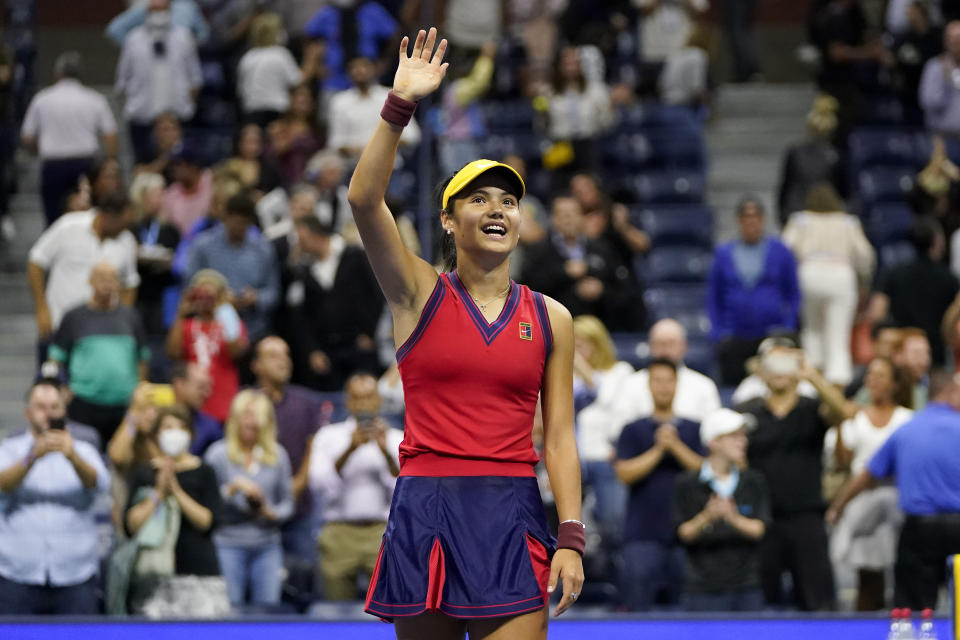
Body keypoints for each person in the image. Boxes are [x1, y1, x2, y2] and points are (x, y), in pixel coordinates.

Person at [346, 28, 584, 636]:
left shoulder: (552, 316)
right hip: (428, 506)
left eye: (508, 200)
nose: (498, 209)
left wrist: (572, 537)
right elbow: (364, 200)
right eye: (479, 200)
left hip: (512, 512)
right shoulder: (417, 291)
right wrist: (399, 106)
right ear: (449, 221)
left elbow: (557, 437)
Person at [828, 370, 960, 610]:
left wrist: (838, 507)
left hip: (920, 530)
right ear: (950, 392)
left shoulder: (906, 431)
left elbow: (867, 475)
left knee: (916, 610)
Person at [736, 345, 838, 610]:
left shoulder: (813, 409)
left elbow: (843, 413)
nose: (779, 371)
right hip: (762, 519)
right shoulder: (747, 411)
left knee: (819, 600)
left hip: (806, 516)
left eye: (785, 364)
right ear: (761, 373)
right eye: (772, 365)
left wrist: (812, 376)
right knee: (759, 602)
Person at [0, 381, 110, 614]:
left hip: (75, 574)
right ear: (27, 413)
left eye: (54, 407)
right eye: (41, 407)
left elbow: (98, 484)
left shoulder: (84, 450)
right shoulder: (9, 449)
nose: (48, 413)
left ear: (64, 412)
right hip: (18, 573)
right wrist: (32, 457)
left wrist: (72, 456)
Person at [615, 357, 704, 610]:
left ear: (677, 385)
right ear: (649, 385)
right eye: (658, 381)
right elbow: (624, 474)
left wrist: (675, 446)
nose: (664, 387)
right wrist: (658, 450)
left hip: (688, 533)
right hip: (642, 534)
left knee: (689, 614)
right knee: (637, 610)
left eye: (669, 381)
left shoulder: (693, 429)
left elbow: (705, 472)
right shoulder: (633, 430)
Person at [827, 357, 913, 610]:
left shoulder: (907, 419)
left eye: (881, 376)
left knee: (903, 573)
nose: (873, 381)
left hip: (898, 502)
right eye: (870, 375)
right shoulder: (856, 418)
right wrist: (842, 423)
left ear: (895, 383)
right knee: (868, 578)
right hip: (862, 504)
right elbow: (842, 462)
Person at [125, 406, 228, 617]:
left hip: (200, 574)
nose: (175, 433)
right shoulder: (145, 473)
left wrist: (176, 490)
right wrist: (159, 493)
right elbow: (131, 524)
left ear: (190, 434)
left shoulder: (205, 472)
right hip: (153, 577)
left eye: (181, 427)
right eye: (168, 427)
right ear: (156, 434)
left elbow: (207, 522)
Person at [308, 372, 403, 600]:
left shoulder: (397, 438)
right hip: (339, 531)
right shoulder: (328, 436)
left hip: (382, 531)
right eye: (356, 398)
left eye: (368, 397)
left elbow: (404, 489)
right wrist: (350, 449)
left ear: (378, 400)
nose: (363, 404)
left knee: (387, 610)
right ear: (348, 401)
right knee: (335, 612)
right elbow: (318, 482)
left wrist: (385, 453)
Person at [673, 409, 770, 611]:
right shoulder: (687, 483)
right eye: (734, 436)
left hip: (747, 587)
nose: (742, 441)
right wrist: (707, 516)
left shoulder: (754, 481)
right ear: (713, 442)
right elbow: (683, 533)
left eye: (743, 436)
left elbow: (759, 529)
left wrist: (732, 517)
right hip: (701, 589)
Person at [205, 391, 293, 609]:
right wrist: (233, 488)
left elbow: (288, 504)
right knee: (229, 609)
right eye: (246, 414)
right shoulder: (217, 454)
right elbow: (207, 502)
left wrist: (269, 512)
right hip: (227, 544)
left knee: (268, 609)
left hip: (267, 545)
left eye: (256, 415)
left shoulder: (277, 455)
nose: (250, 420)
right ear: (234, 417)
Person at [782, 182, 875, 386]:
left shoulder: (800, 220)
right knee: (838, 334)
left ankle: (811, 381)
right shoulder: (848, 222)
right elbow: (865, 255)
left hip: (808, 273)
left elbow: (785, 250)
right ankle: (838, 383)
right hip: (840, 274)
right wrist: (863, 278)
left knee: (812, 330)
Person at [48, 261, 150, 446]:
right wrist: (60, 387)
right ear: (90, 281)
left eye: (112, 279)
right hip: (83, 403)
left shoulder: (131, 316)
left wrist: (140, 389)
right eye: (102, 279)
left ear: (119, 284)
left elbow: (142, 358)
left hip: (123, 405)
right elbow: (55, 358)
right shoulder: (74, 316)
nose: (107, 284)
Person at [27, 192, 140, 358]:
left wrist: (121, 319)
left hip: (100, 336)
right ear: (107, 216)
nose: (126, 229)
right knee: (50, 382)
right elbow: (35, 262)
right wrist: (41, 309)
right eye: (123, 224)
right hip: (58, 326)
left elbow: (130, 284)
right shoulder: (68, 226)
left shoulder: (126, 241)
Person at [708, 196, 801, 386]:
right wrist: (718, 332)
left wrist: (789, 324)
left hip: (772, 333)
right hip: (734, 334)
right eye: (746, 217)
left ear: (763, 219)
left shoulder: (781, 251)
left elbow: (793, 293)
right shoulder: (723, 253)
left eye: (755, 217)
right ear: (738, 221)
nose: (751, 222)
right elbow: (714, 297)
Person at [285, 215, 384, 390]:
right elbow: (303, 317)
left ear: (316, 235)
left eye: (302, 240)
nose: (299, 246)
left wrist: (370, 332)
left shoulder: (354, 256)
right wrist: (313, 350)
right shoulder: (304, 272)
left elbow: (377, 295)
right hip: (329, 354)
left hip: (360, 347)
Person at [20, 51, 118, 226]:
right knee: (86, 218)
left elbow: (27, 137)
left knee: (53, 220)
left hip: (53, 166)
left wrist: (37, 149)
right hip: (85, 165)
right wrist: (110, 162)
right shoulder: (94, 99)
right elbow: (110, 134)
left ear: (57, 74)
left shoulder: (42, 99)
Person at [251, 336, 325, 562]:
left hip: (299, 507)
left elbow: (315, 446)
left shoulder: (306, 401)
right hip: (254, 513)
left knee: (303, 582)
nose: (283, 362)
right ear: (257, 366)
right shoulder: (247, 402)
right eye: (273, 356)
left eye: (286, 355)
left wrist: (299, 483)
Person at [185, 191, 280, 343]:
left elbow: (273, 293)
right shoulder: (203, 245)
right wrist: (217, 298)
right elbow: (189, 286)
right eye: (234, 222)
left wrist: (256, 298)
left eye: (243, 223)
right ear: (225, 217)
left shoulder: (264, 250)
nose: (238, 227)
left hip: (253, 329)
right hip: (210, 327)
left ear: (250, 222)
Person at [114, 0, 202, 163]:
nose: (158, 14)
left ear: (170, 10)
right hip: (142, 117)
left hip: (178, 114)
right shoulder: (133, 39)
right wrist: (134, 104)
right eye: (154, 9)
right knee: (144, 165)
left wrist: (184, 103)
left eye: (162, 9)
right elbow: (123, 81)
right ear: (146, 11)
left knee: (180, 164)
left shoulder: (183, 37)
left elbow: (195, 78)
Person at [520, 196, 626, 330]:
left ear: (582, 217)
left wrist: (602, 290)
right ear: (553, 219)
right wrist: (563, 272)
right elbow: (527, 291)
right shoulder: (538, 251)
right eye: (563, 214)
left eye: (573, 213)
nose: (568, 219)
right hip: (551, 328)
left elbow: (623, 290)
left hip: (598, 327)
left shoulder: (602, 248)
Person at [572, 316, 634, 536]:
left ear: (597, 345)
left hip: (606, 457)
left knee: (613, 521)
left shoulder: (620, 372)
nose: (575, 352)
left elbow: (618, 410)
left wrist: (619, 446)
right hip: (572, 460)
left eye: (580, 346)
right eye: (572, 345)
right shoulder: (563, 374)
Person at [869, 217, 960, 367]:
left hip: (902, 353)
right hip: (935, 355)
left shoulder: (895, 273)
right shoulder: (949, 278)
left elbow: (876, 312)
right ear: (937, 241)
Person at [167, 269, 248, 423]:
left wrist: (226, 309)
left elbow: (236, 353)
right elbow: (173, 354)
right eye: (200, 295)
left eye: (211, 295)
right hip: (192, 402)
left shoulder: (232, 324)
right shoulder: (186, 325)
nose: (206, 300)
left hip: (224, 400)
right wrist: (181, 313)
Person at [327, 56, 422, 165]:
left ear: (374, 69)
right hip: (354, 168)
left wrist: (381, 147)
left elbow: (412, 136)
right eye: (355, 67)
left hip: (389, 168)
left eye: (364, 66)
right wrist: (359, 150)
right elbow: (335, 143)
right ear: (348, 73)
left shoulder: (392, 96)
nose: (360, 70)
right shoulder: (340, 102)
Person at [304, 1, 400, 92]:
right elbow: (308, 37)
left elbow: (395, 36)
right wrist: (316, 66)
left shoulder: (372, 11)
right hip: (334, 78)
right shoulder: (328, 13)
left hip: (367, 76)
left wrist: (384, 62)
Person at [776, 94, 841, 226]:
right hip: (805, 214)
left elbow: (784, 189)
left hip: (816, 215)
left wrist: (783, 215)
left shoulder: (835, 156)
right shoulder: (797, 153)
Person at [237, 13, 303, 128]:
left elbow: (240, 91)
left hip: (251, 112)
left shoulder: (248, 57)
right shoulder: (280, 54)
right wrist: (311, 62)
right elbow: (297, 81)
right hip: (276, 112)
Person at [266, 85, 323, 186]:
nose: (303, 100)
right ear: (291, 101)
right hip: (282, 180)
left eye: (307, 97)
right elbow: (273, 153)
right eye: (299, 96)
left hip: (311, 180)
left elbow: (321, 155)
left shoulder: (318, 129)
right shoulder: (279, 127)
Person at [919, 21, 960, 138]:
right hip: (943, 138)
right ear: (946, 42)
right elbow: (929, 102)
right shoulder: (935, 67)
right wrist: (946, 82)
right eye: (953, 40)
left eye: (959, 40)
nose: (956, 45)